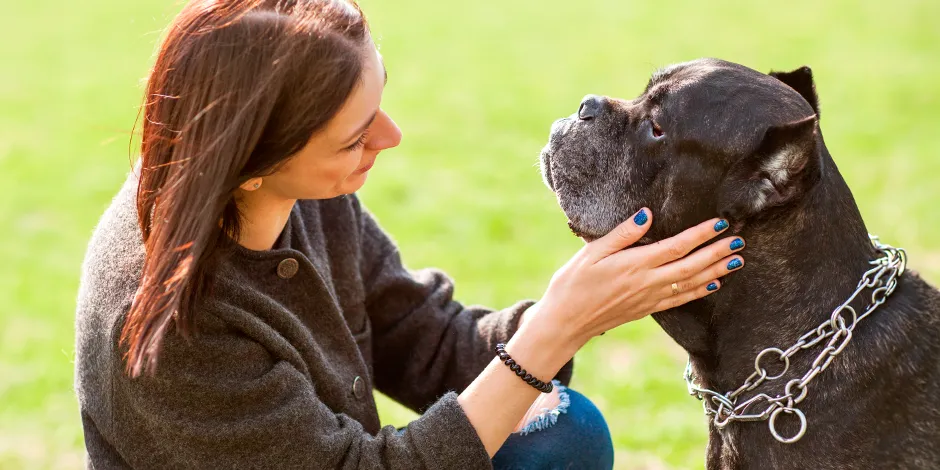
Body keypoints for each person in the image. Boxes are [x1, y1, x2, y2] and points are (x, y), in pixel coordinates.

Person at [73, 0, 745, 468]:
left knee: (559, 431)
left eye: (379, 97)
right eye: (353, 138)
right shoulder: (172, 332)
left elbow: (423, 341)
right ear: (248, 163)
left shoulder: (289, 192)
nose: (389, 138)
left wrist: (590, 302)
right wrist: (555, 332)